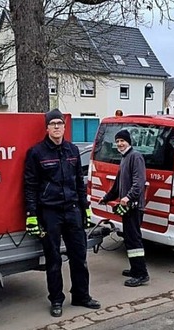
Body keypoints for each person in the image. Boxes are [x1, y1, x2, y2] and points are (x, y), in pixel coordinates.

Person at [24, 108, 101, 317]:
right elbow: (30, 186)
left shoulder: (72, 151)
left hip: (73, 210)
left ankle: (81, 296)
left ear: (65, 127)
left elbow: (79, 182)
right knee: (54, 259)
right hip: (50, 212)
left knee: (79, 256)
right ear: (47, 128)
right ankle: (56, 300)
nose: (57, 127)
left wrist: (85, 207)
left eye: (60, 124)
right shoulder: (36, 153)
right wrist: (31, 214)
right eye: (53, 124)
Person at [98, 129, 149, 287]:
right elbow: (118, 185)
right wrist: (106, 198)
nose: (120, 144)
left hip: (133, 206)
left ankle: (141, 274)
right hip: (127, 206)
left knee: (134, 240)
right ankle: (135, 269)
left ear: (129, 142)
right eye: (118, 141)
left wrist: (128, 197)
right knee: (129, 238)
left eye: (122, 141)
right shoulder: (125, 158)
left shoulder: (135, 157)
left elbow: (139, 182)